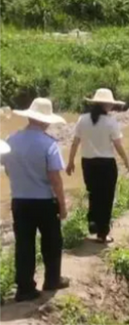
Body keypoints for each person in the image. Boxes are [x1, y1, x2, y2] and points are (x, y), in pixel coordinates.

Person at [1, 98, 70, 302]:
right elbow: (55, 179)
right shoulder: (49, 144)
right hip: (44, 202)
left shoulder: (10, 140)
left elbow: (6, 167)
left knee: (24, 244)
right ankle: (51, 280)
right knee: (52, 241)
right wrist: (63, 205)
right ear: (47, 121)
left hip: (20, 201)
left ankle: (24, 288)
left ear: (30, 117)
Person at [66, 89, 129, 244]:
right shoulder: (111, 122)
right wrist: (126, 161)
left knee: (93, 194)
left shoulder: (82, 119)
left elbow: (75, 142)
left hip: (88, 164)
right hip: (106, 164)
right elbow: (118, 145)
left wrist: (70, 162)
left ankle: (93, 222)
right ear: (107, 104)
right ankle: (103, 233)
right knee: (106, 198)